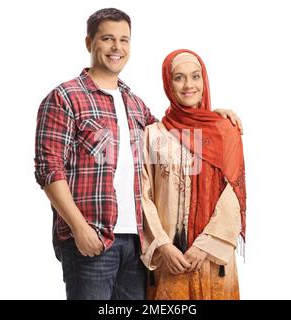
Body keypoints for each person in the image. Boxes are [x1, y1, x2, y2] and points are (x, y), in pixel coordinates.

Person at [34, 8, 243, 300]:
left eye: (124, 40)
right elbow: (49, 168)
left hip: (137, 246)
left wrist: (211, 118)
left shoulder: (135, 104)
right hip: (94, 238)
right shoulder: (65, 97)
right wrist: (79, 229)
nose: (117, 47)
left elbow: (174, 142)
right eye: (107, 39)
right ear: (89, 42)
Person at [140, 49, 246, 300]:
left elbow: (234, 193)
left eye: (195, 76)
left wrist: (205, 245)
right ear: (168, 83)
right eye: (179, 78)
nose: (189, 85)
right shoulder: (155, 134)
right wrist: (163, 245)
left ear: (204, 80)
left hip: (214, 259)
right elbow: (143, 194)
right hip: (169, 260)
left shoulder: (224, 130)